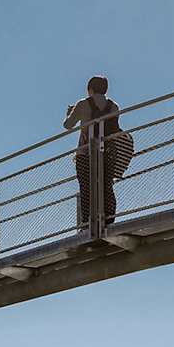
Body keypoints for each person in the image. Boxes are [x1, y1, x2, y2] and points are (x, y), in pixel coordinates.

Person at [65, 75, 126, 236]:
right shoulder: (114, 106)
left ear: (90, 89)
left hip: (85, 154)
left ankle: (86, 224)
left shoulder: (82, 104)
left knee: (86, 188)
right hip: (107, 153)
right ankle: (109, 219)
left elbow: (67, 125)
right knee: (106, 186)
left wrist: (70, 112)